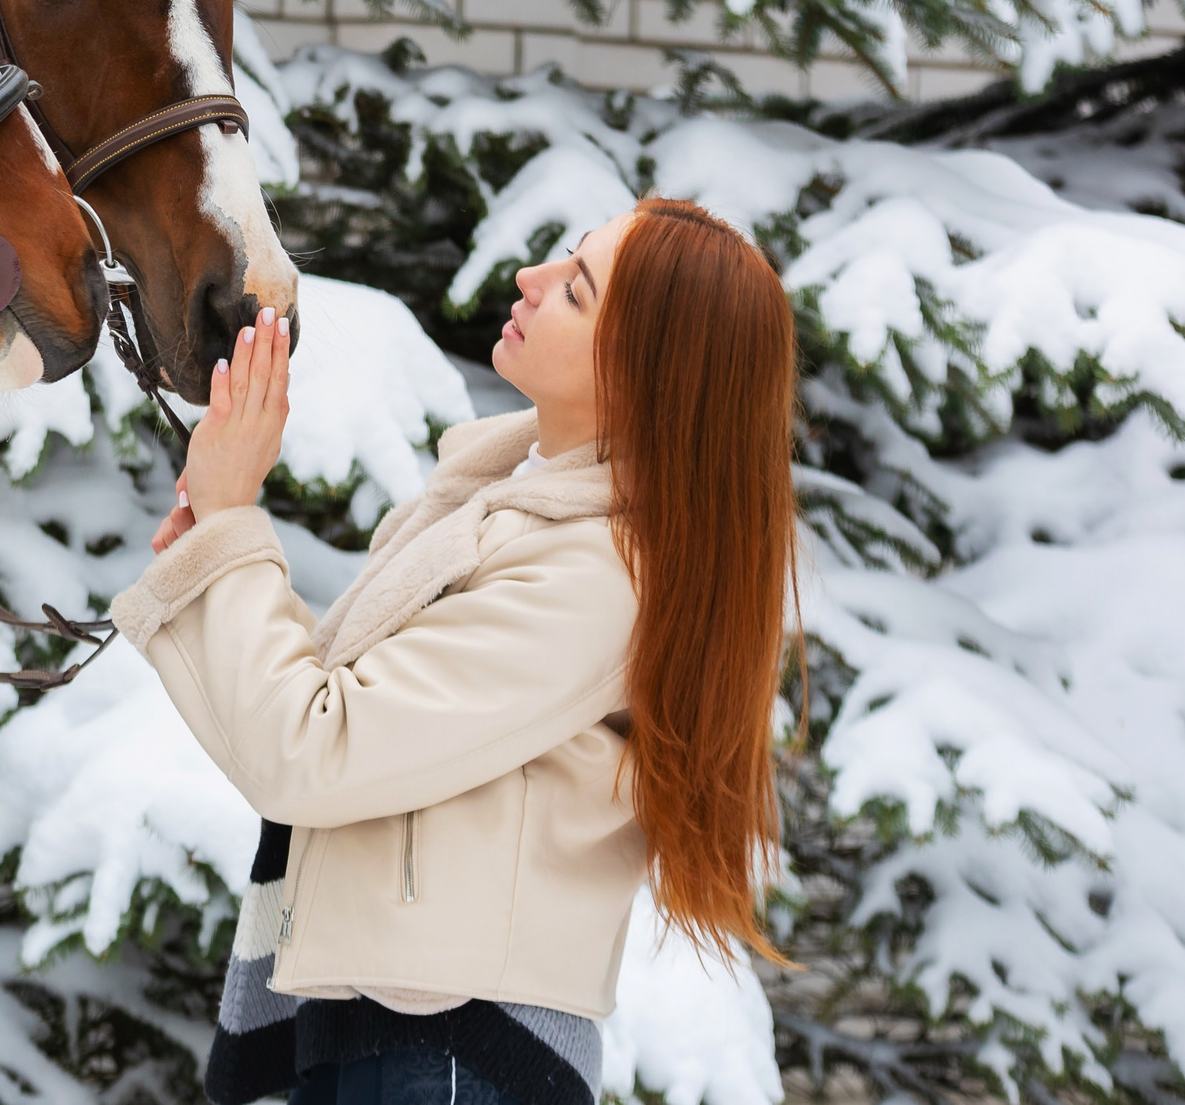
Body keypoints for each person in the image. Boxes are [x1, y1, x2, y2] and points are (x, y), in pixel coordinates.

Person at [114, 198, 798, 1105]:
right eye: (562, 257)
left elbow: (312, 750)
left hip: (447, 1056)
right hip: (406, 1045)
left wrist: (235, 521)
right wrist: (219, 549)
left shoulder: (596, 572)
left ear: (643, 371)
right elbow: (312, 724)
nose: (530, 279)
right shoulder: (508, 518)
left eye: (577, 292)